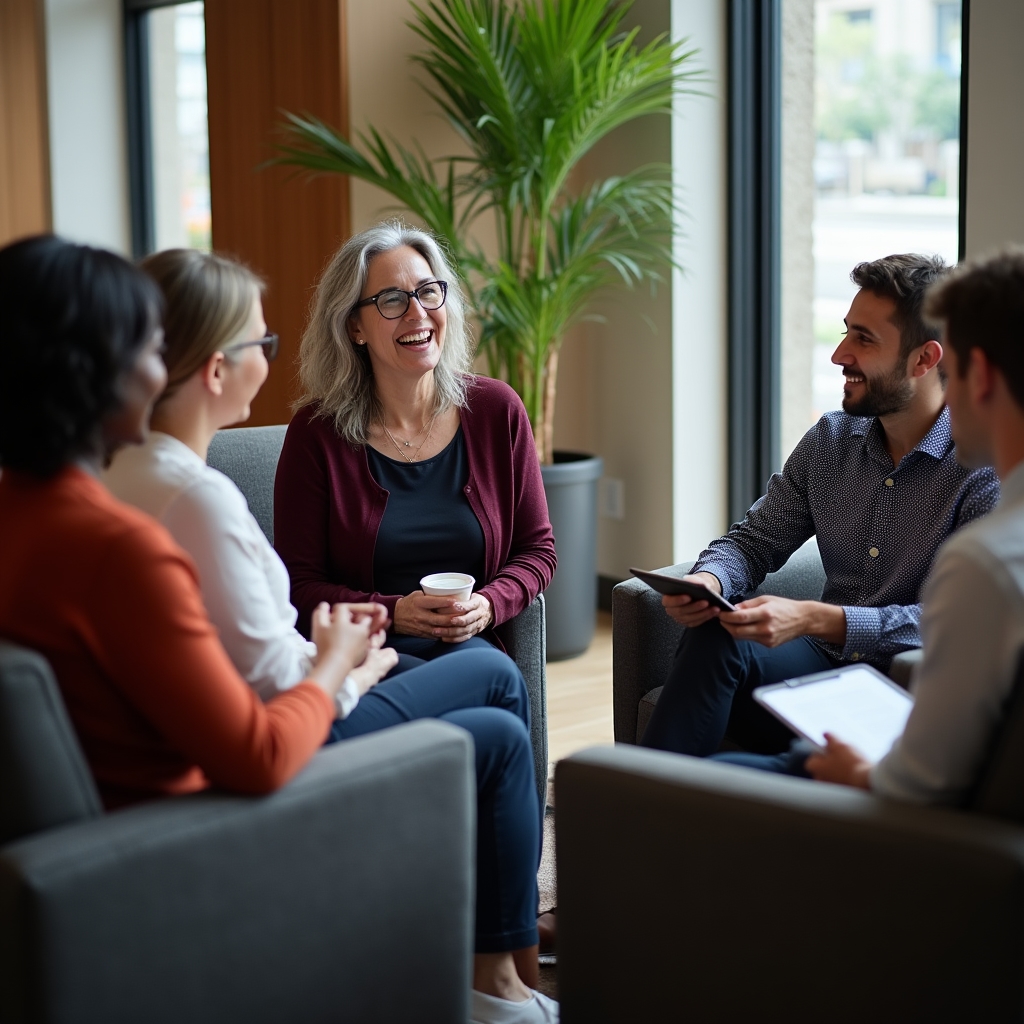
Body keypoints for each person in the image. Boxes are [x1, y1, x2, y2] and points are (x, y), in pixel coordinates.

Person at [0, 237, 556, 1024]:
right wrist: (340, 667)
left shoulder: (32, 511)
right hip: (197, 825)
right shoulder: (137, 540)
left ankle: (497, 972)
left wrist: (471, 610)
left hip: (123, 817)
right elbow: (255, 748)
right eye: (146, 349)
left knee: (486, 685)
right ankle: (500, 987)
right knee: (496, 709)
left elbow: (537, 548)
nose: (159, 370)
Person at [641, 253, 1000, 763]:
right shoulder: (832, 441)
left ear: (924, 360)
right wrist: (711, 581)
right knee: (716, 634)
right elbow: (754, 541)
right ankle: (647, 794)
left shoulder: (981, 471)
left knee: (730, 771)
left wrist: (818, 618)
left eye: (864, 339)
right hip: (818, 671)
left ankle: (660, 805)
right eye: (845, 332)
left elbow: (956, 625)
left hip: (905, 694)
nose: (839, 355)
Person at [273, 222, 557, 663]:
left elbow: (537, 550)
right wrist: (394, 614)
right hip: (367, 658)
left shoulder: (496, 410)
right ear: (354, 328)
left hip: (471, 647)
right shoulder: (316, 433)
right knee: (493, 679)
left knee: (487, 675)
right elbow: (297, 588)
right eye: (391, 300)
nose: (417, 313)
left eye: (428, 292)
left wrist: (488, 605)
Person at [805, 247, 1024, 801]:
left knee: (745, 773)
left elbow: (923, 780)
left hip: (931, 847)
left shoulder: (987, 561)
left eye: (952, 372)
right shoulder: (834, 440)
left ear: (980, 378)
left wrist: (861, 774)